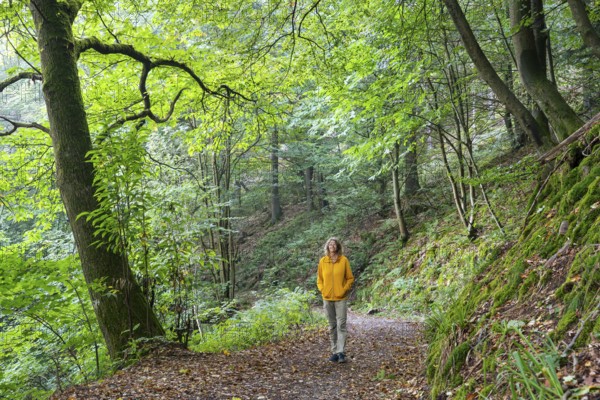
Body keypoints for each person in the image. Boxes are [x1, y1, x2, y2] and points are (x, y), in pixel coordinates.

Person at [317, 237, 354, 363]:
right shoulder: (323, 261)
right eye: (329, 244)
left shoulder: (343, 261)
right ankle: (334, 351)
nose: (331, 246)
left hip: (341, 298)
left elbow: (350, 278)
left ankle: (341, 352)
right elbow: (319, 279)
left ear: (337, 246)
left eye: (334, 244)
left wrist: (343, 290)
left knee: (341, 325)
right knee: (332, 326)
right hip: (327, 298)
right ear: (327, 247)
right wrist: (323, 290)